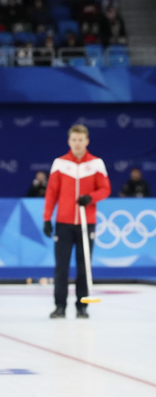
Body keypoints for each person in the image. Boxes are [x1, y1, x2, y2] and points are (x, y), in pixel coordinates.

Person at [43, 124, 111, 319]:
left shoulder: (96, 163)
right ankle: (60, 306)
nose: (77, 143)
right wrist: (47, 218)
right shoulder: (60, 163)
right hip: (63, 223)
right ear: (69, 141)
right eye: (74, 140)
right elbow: (51, 193)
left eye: (81, 140)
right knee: (61, 267)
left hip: (86, 223)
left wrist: (90, 197)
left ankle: (82, 306)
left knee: (84, 266)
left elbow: (105, 189)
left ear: (87, 141)